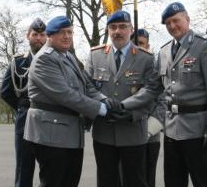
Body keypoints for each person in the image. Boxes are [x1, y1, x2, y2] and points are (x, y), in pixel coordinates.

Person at [23, 15, 121, 187]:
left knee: (69, 182)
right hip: (51, 135)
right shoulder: (44, 59)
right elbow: (66, 95)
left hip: (69, 134)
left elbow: (87, 86)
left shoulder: (67, 56)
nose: (67, 36)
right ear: (50, 36)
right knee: (53, 182)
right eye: (62, 32)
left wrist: (105, 100)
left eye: (69, 32)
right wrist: (102, 109)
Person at [85, 10, 162, 187]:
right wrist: (103, 100)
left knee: (135, 181)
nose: (117, 31)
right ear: (108, 30)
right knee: (106, 181)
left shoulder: (146, 58)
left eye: (122, 27)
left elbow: (151, 90)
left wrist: (125, 108)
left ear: (131, 29)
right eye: (113, 27)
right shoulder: (95, 55)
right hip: (104, 131)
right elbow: (87, 85)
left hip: (133, 132)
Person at [157, 2, 207, 187]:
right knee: (173, 181)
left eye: (176, 21)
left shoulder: (204, 44)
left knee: (204, 181)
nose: (172, 26)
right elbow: (157, 90)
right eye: (168, 23)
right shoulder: (163, 51)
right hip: (171, 129)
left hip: (198, 129)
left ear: (187, 19)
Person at [1, 18, 47, 187]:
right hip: (25, 119)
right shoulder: (18, 61)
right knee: (23, 169)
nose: (39, 38)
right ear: (28, 36)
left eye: (43, 35)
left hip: (49, 120)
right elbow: (5, 91)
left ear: (48, 37)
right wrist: (22, 107)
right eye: (35, 34)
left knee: (49, 170)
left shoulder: (56, 60)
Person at [131, 28, 164, 187]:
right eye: (135, 43)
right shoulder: (122, 66)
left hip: (150, 135)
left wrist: (149, 129)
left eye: (141, 44)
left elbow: (164, 100)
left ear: (148, 45)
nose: (138, 47)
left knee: (147, 179)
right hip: (127, 134)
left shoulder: (156, 68)